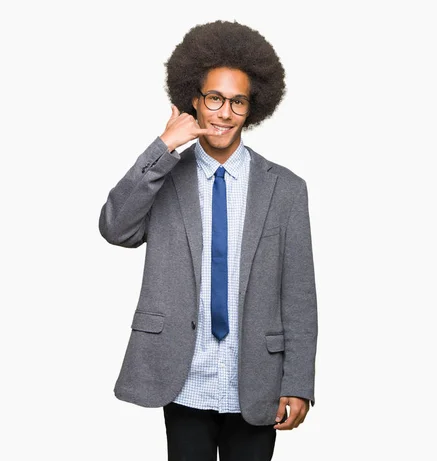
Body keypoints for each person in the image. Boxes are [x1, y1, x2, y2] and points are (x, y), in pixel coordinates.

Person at [98, 20, 318, 461]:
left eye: (237, 102)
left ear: (252, 108)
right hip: (184, 375)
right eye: (214, 98)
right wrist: (163, 147)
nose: (224, 112)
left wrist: (298, 381)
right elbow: (116, 228)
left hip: (256, 377)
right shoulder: (164, 177)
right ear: (193, 101)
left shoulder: (286, 188)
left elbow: (299, 293)